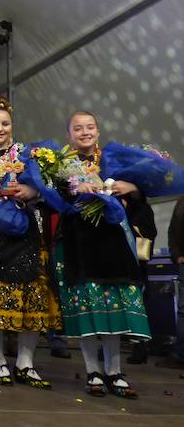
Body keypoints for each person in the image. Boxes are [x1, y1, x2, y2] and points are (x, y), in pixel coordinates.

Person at [54, 111, 152, 398]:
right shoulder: (60, 165)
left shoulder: (115, 162)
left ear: (98, 131)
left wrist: (131, 187)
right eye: (78, 128)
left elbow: (139, 199)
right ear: (69, 135)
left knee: (114, 310)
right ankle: (92, 371)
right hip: (80, 245)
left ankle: (114, 371)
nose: (85, 132)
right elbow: (54, 200)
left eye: (90, 127)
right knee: (90, 310)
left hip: (113, 244)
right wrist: (74, 188)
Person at [0, 96, 61, 388]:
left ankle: (25, 363)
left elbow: (51, 190)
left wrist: (30, 191)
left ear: (12, 126)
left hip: (28, 235)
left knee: (32, 298)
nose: (0, 128)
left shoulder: (29, 154)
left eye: (5, 123)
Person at [170, 195, 184, 365]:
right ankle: (181, 353)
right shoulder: (180, 202)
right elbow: (172, 231)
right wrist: (177, 255)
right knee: (182, 310)